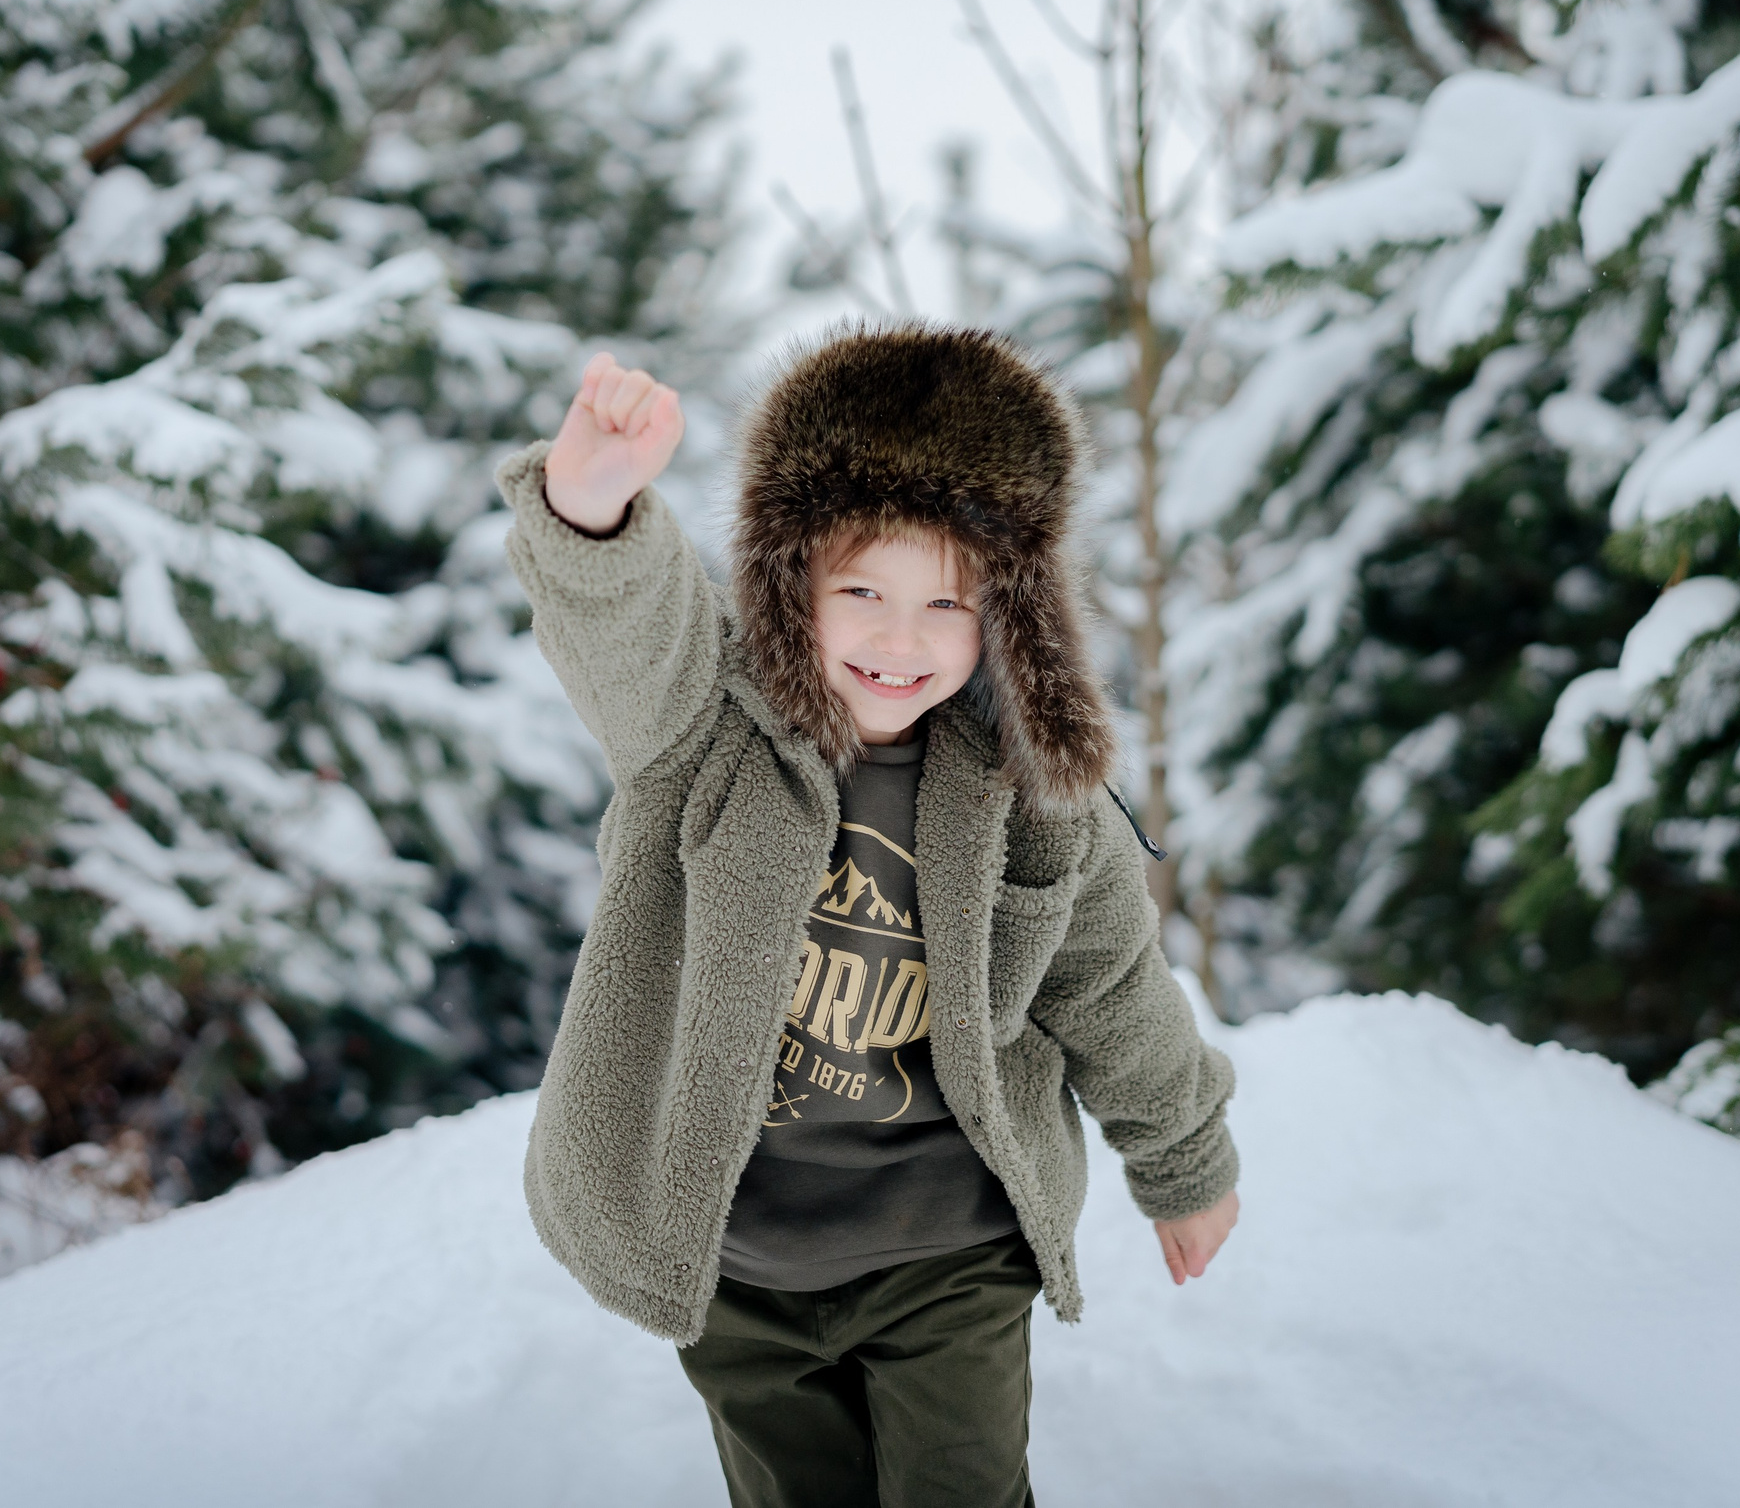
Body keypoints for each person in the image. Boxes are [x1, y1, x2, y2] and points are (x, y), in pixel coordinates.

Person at [496, 327, 1240, 1508]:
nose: (901, 641)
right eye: (862, 593)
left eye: (947, 602)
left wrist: (1184, 1160)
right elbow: (627, 637)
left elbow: (1108, 981)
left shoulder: (1029, 793)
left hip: (948, 1251)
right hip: (739, 1262)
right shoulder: (703, 730)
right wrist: (590, 512)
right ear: (791, 582)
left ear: (1010, 612)